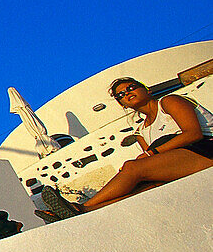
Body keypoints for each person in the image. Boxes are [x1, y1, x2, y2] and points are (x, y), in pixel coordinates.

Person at [40, 78, 213, 219]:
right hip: (176, 160)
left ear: (147, 89)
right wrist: (149, 156)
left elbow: (193, 133)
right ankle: (85, 212)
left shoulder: (168, 102)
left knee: (132, 167)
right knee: (144, 187)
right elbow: (149, 161)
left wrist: (151, 153)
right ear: (123, 104)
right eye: (121, 95)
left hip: (203, 148)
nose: (127, 93)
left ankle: (83, 207)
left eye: (131, 87)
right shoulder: (141, 131)